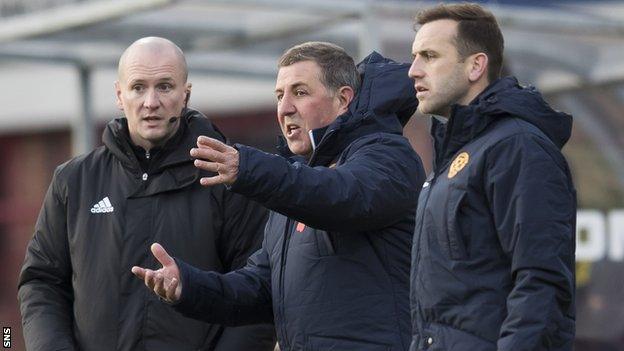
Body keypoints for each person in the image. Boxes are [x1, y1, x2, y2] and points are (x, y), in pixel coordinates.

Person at [132, 42, 426, 350]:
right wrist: (187, 286)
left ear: (343, 100)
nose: (284, 109)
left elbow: (342, 195)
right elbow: (259, 289)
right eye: (279, 95)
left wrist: (251, 169)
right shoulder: (296, 181)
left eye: (299, 92)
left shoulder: (387, 155)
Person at [18, 37, 275, 351]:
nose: (150, 102)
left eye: (165, 87)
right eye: (138, 87)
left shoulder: (228, 179)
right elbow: (41, 282)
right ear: (119, 95)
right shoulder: (74, 180)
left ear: (186, 95)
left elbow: (259, 296)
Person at [407, 3, 576, 351]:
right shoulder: (455, 156)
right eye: (415, 56)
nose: (413, 71)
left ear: (476, 66)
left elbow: (541, 281)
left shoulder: (518, 147)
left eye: (429, 56)